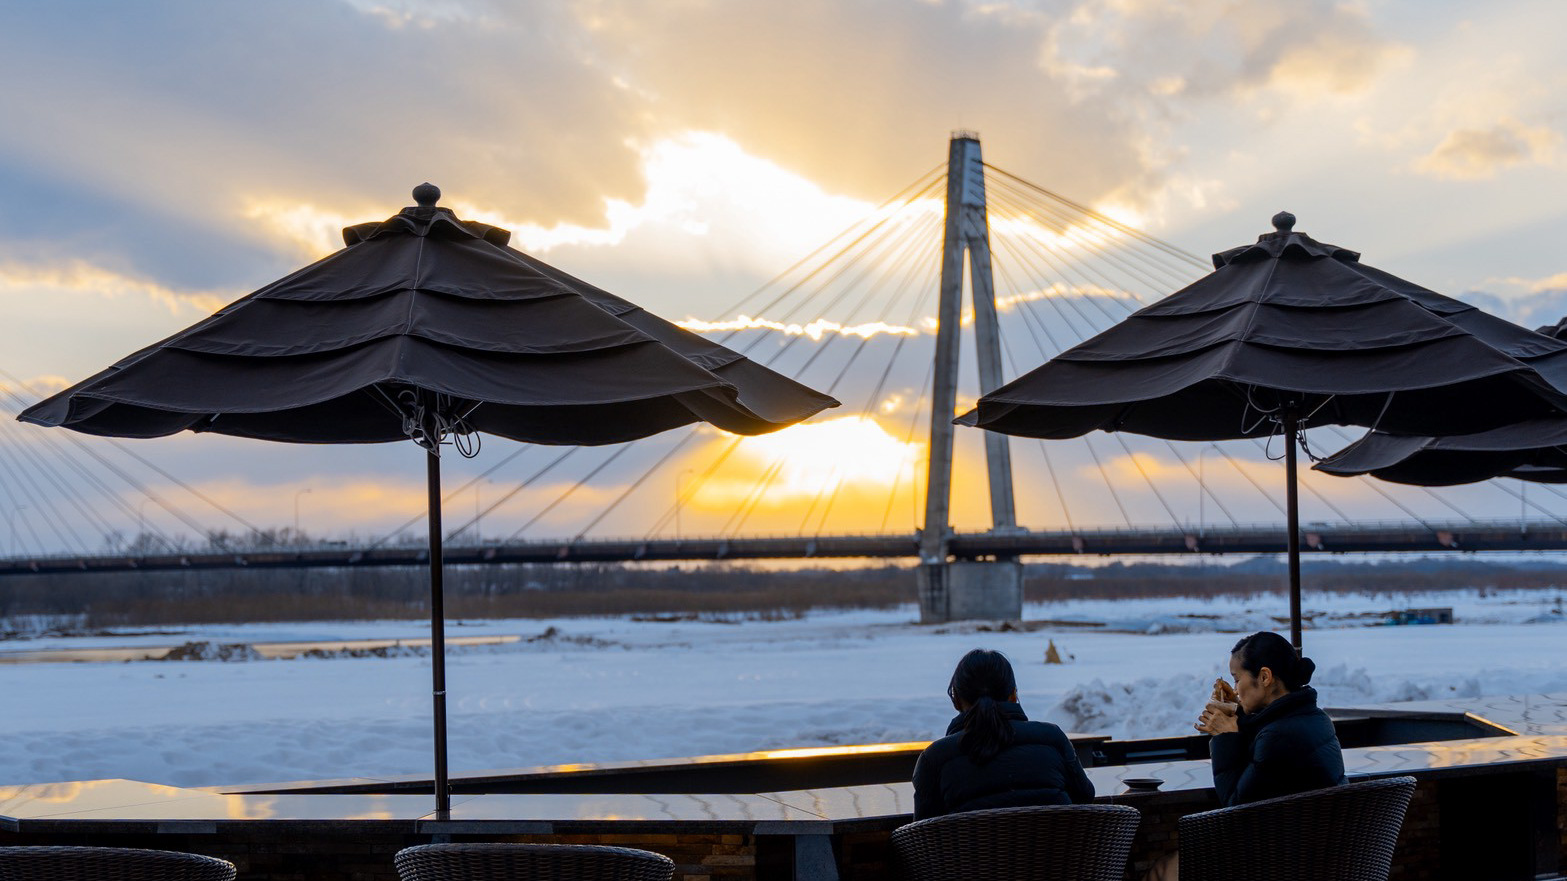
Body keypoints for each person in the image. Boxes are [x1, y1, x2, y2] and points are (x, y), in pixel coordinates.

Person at [911, 648, 1093, 820]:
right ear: (1013, 695)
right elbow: (1084, 798)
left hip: (974, 845)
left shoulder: (935, 758)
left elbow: (923, 830)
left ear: (956, 700)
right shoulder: (1052, 739)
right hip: (1055, 844)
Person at [1195, 631, 1347, 806]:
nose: (1235, 690)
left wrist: (1225, 737)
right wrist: (1237, 714)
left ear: (1264, 677)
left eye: (1236, 680)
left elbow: (1235, 807)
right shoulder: (1315, 717)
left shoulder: (1278, 737)